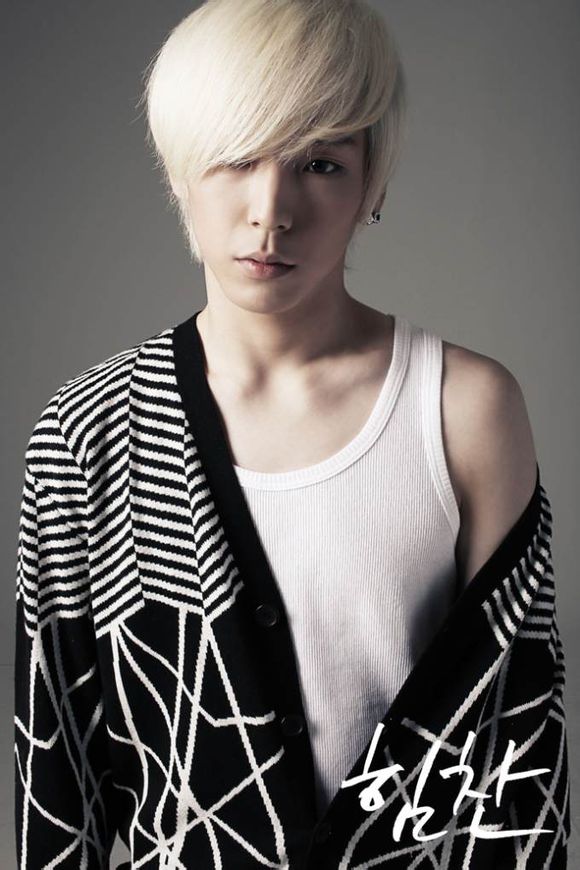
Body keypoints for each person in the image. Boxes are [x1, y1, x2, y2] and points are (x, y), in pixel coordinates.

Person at [14, 1, 569, 867]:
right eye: (236, 158)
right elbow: (56, 790)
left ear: (371, 184)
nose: (270, 210)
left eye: (320, 164)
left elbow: (519, 753)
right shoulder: (93, 431)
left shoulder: (463, 408)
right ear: (179, 171)